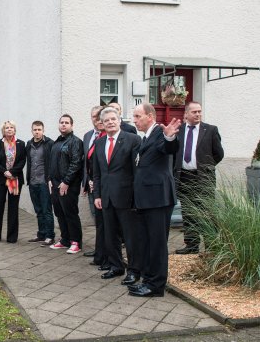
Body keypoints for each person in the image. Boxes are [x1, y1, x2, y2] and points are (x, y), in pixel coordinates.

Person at [128, 103, 180, 297]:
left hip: (158, 199)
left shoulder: (159, 133)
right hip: (147, 199)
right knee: (148, 242)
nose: (134, 120)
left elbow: (169, 147)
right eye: (134, 116)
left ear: (150, 116)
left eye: (137, 116)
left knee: (157, 244)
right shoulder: (146, 137)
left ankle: (156, 286)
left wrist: (169, 136)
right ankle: (148, 280)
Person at [92, 107, 144, 285]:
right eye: (106, 120)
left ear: (119, 120)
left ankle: (134, 270)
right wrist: (97, 195)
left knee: (130, 237)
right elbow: (97, 173)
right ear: (102, 124)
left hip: (126, 197)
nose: (110, 122)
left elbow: (137, 172)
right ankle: (116, 266)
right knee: (110, 235)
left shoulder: (132, 140)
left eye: (113, 119)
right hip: (105, 197)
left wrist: (136, 197)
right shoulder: (99, 143)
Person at [174, 101, 224, 254]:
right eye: (194, 112)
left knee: (206, 212)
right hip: (184, 177)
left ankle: (211, 245)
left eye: (199, 111)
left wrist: (205, 167)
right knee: (188, 213)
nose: (197, 114)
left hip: (202, 178)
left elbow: (219, 154)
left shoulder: (210, 130)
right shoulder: (179, 130)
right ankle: (192, 245)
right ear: (186, 114)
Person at [49, 114, 84, 253]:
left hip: (68, 185)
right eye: (61, 122)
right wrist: (49, 179)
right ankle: (64, 240)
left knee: (70, 213)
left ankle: (76, 242)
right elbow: (51, 163)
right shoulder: (56, 142)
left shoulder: (75, 142)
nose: (64, 124)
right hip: (55, 184)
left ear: (72, 125)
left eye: (67, 122)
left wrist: (66, 182)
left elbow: (76, 163)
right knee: (59, 213)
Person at [0, 120, 26, 243]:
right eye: (7, 128)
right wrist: (4, 171)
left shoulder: (21, 144)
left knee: (13, 207)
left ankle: (12, 237)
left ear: (14, 130)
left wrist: (12, 172)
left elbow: (22, 161)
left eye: (11, 127)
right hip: (0, 178)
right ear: (3, 131)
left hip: (14, 179)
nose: (9, 129)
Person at [81, 106, 107, 265]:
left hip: (104, 186)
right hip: (92, 185)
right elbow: (87, 162)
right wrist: (87, 182)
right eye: (93, 116)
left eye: (99, 116)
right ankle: (99, 249)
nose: (96, 120)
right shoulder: (87, 136)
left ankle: (104, 251)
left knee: (105, 221)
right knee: (97, 219)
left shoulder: (107, 137)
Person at [25, 121, 55, 245]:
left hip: (44, 182)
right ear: (32, 131)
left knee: (46, 210)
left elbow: (53, 163)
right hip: (32, 182)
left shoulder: (50, 144)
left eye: (39, 129)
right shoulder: (29, 144)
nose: (37, 132)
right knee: (38, 210)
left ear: (43, 130)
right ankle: (41, 234)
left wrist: (50, 179)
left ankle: (50, 235)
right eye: (35, 130)